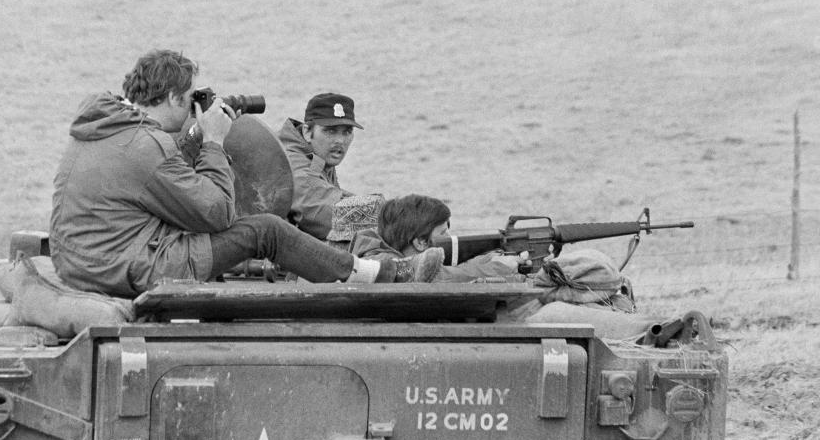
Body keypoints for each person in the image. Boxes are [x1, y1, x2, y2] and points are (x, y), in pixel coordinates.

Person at [49, 49, 443, 298]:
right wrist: (214, 141)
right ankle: (378, 276)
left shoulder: (103, 129)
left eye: (345, 132)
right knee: (266, 230)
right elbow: (218, 212)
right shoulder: (143, 146)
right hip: (127, 267)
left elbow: (158, 190)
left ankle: (375, 269)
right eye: (188, 101)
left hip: (90, 260)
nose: (339, 140)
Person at [351, 194, 524, 282]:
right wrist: (496, 268)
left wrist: (485, 260)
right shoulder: (384, 262)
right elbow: (437, 276)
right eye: (442, 233)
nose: (449, 238)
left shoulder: (375, 253)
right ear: (420, 242)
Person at [277, 93, 360, 239]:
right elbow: (325, 210)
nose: (340, 140)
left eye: (347, 131)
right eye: (330, 131)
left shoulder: (318, 156)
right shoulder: (292, 161)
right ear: (307, 132)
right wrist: (392, 215)